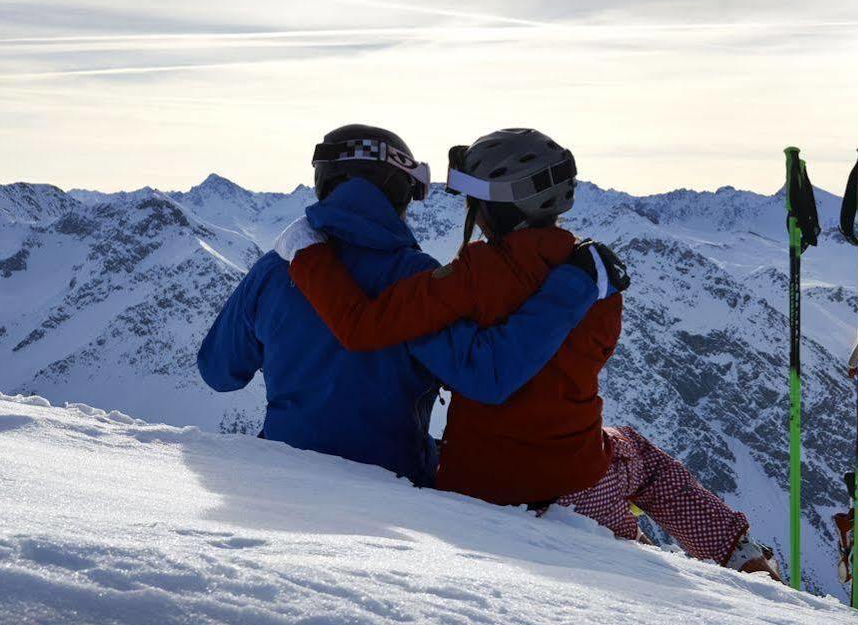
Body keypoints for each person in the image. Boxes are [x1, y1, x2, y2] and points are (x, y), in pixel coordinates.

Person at [282, 127, 781, 579]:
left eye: (472, 203)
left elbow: (362, 325)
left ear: (495, 208)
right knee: (641, 458)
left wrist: (307, 252)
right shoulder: (599, 279)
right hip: (584, 481)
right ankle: (736, 555)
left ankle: (634, 551)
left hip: (480, 492)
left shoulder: (474, 273)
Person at [196, 124, 618, 484]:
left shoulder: (277, 266)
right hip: (394, 475)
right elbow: (476, 371)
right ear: (399, 194)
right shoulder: (421, 277)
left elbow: (219, 373)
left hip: (283, 467)